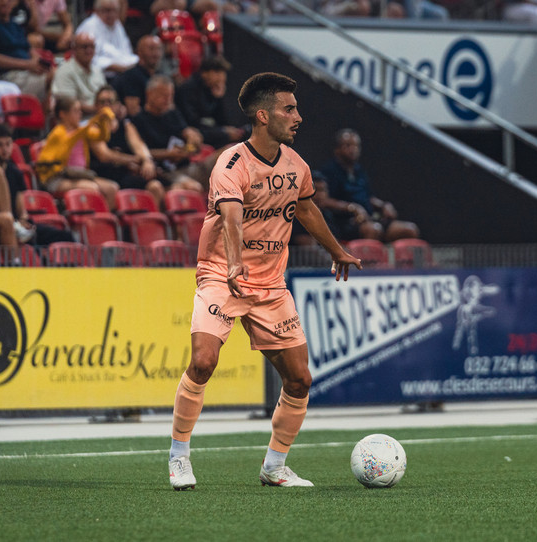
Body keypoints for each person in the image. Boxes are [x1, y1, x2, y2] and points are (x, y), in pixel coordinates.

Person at [167, 72, 361, 490]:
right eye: (289, 109)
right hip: (223, 275)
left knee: (300, 379)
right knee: (203, 362)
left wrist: (337, 250)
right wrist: (235, 264)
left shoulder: (296, 166)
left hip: (271, 286)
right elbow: (231, 217)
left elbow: (306, 211)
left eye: (296, 109)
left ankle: (275, 466)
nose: (298, 117)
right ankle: (178, 456)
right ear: (262, 116)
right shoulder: (231, 163)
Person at [89, 85, 201, 206]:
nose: (106, 105)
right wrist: (135, 160)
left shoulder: (126, 125)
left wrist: (147, 160)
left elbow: (139, 145)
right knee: (155, 187)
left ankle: (169, 217)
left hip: (127, 171)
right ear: (96, 106)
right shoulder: (93, 127)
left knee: (175, 187)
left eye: (110, 101)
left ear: (117, 105)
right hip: (107, 172)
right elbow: (105, 155)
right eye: (102, 102)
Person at [0, 123, 75, 246]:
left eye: (8, 144)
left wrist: (23, 220)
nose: (5, 149)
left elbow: (21, 207)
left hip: (17, 224)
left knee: (65, 236)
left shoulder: (15, 171)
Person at [318, 128, 419, 242]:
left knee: (410, 230)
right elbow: (324, 201)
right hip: (346, 222)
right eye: (348, 145)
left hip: (369, 219)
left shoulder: (359, 171)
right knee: (374, 230)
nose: (353, 149)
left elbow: (369, 197)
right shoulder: (329, 171)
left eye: (356, 146)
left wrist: (384, 205)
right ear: (337, 149)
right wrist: (352, 207)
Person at [36, 95, 119, 207]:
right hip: (57, 178)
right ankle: (88, 217)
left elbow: (102, 137)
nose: (80, 114)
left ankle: (103, 217)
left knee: (112, 188)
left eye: (80, 110)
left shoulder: (80, 130)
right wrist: (95, 119)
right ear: (62, 114)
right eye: (75, 111)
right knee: (92, 188)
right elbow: (70, 139)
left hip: (79, 175)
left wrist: (104, 121)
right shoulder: (58, 133)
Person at [131, 74, 212, 186]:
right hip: (165, 173)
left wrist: (192, 138)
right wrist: (167, 154)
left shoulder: (173, 113)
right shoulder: (138, 120)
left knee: (227, 158)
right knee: (194, 187)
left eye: (170, 95)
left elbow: (186, 131)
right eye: (163, 95)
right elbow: (139, 153)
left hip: (187, 167)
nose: (168, 100)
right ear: (149, 94)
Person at [0, 0, 54, 104]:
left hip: (26, 71)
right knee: (52, 79)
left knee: (53, 72)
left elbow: (30, 50)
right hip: (5, 76)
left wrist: (39, 63)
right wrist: (27, 65)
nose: (5, 2)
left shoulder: (15, 25)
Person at [174, 55, 248, 149]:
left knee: (244, 133)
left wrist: (219, 98)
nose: (222, 78)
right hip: (190, 131)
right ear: (205, 73)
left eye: (223, 73)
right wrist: (222, 131)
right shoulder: (188, 89)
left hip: (209, 129)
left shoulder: (212, 89)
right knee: (227, 136)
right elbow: (193, 121)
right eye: (217, 73)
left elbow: (223, 121)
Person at [75, 0, 139, 77]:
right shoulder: (89, 27)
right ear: (97, 11)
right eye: (107, 10)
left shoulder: (117, 25)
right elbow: (90, 59)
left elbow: (126, 51)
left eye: (115, 11)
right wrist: (114, 67)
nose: (111, 14)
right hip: (99, 75)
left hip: (122, 71)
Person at [51, 33, 107, 117]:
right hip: (77, 121)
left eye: (92, 47)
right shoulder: (64, 71)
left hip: (99, 117)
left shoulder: (97, 71)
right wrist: (100, 110)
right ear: (74, 49)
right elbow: (67, 104)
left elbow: (106, 94)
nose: (89, 50)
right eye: (85, 47)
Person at [112, 35, 163, 118]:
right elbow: (133, 111)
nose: (156, 53)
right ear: (139, 52)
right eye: (151, 49)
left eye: (159, 49)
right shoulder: (130, 76)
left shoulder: (161, 75)